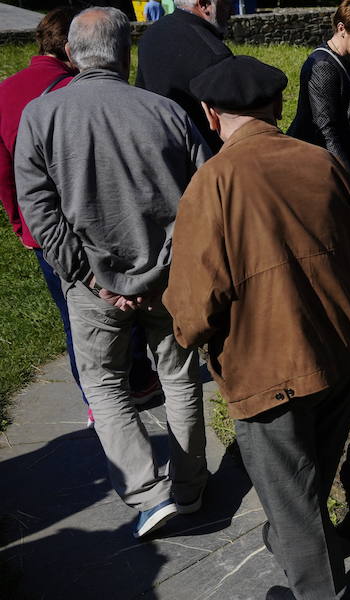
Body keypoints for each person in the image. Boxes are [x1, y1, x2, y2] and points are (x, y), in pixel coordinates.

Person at [164, 55, 350, 600]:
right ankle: (295, 542)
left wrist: (185, 339)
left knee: (290, 494)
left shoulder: (213, 181)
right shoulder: (322, 162)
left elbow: (195, 307)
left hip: (269, 371)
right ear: (279, 105)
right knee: (303, 485)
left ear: (210, 114)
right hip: (341, 354)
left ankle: (317, 587)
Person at [15, 6, 210, 539]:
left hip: (91, 287)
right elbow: (200, 200)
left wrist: (90, 277)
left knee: (104, 385)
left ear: (73, 54)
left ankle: (148, 493)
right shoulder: (166, 112)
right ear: (127, 52)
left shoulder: (42, 115)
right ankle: (190, 489)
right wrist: (166, 266)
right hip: (167, 283)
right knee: (179, 379)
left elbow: (38, 210)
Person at [0, 7, 162, 429]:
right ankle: (139, 380)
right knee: (127, 304)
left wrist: (22, 224)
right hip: (97, 220)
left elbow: (4, 172)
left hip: (44, 228)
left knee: (74, 317)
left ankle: (96, 395)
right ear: (73, 50)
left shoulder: (5, 93)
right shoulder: (82, 90)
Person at [287, 0, 350, 189]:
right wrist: (347, 175)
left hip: (337, 155)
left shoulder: (346, 59)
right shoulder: (323, 66)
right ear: (341, 28)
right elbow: (326, 129)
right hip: (319, 163)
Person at [135, 0, 233, 152]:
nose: (231, 10)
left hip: (154, 148)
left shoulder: (151, 34)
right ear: (205, 4)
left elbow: (141, 94)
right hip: (201, 159)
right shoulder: (214, 53)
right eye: (227, 3)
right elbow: (229, 127)